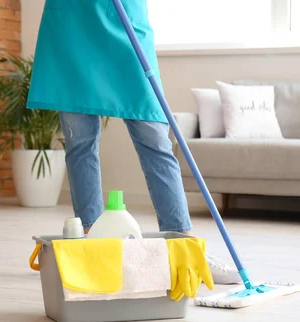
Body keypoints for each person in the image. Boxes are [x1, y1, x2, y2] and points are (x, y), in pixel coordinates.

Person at [26, 0, 240, 284]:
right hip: (74, 24)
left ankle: (183, 246)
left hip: (126, 20)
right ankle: (94, 246)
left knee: (156, 142)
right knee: (80, 146)